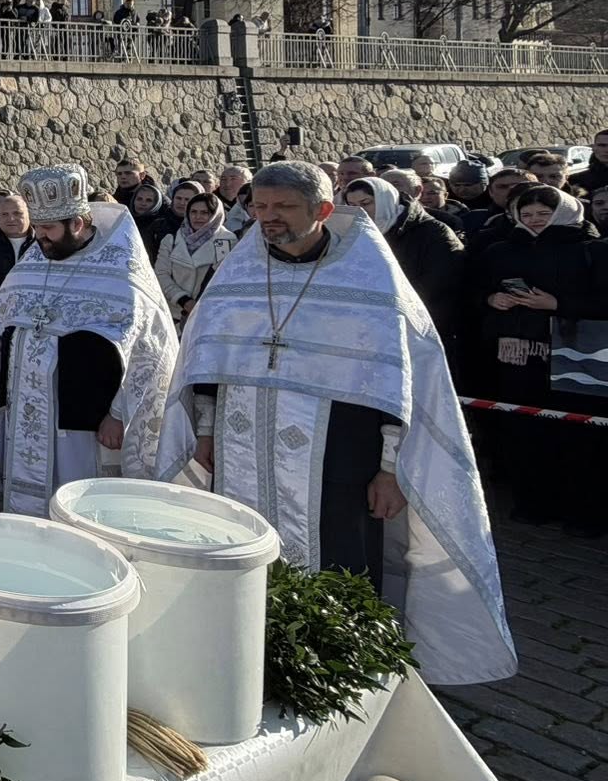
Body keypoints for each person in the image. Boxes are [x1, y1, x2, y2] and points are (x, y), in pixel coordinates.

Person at [157, 161, 517, 684]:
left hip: (340, 455)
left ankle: (342, 672)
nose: (268, 217)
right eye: (260, 206)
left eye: (284, 207)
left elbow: (399, 385)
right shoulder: (238, 269)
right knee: (242, 551)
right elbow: (209, 361)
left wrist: (392, 469)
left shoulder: (368, 275)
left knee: (341, 558)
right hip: (242, 448)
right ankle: (247, 660)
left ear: (323, 210)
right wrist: (206, 431)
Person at [0, 165, 177, 513]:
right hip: (24, 413)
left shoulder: (121, 273)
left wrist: (119, 414)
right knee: (25, 503)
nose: (39, 237)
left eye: (48, 228)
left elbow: (150, 353)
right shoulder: (34, 263)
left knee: (75, 505)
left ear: (77, 224)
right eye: (37, 227)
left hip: (83, 425)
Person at [477, 185, 607, 533]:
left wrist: (559, 305)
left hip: (577, 360)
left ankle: (584, 513)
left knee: (579, 438)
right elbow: (473, 290)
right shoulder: (500, 249)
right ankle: (534, 504)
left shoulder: (592, 249)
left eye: (543, 214)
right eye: (527, 214)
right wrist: (492, 299)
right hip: (517, 358)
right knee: (526, 433)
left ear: (564, 211)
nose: (535, 220)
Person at [344, 176, 467, 346]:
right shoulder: (355, 233)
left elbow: (440, 283)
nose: (360, 211)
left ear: (385, 200)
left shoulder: (432, 232)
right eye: (352, 206)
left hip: (426, 325)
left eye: (366, 203)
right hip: (373, 325)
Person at [154, 193, 236, 325]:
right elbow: (161, 273)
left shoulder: (225, 241)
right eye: (193, 212)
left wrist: (198, 305)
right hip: (172, 315)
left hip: (207, 316)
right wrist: (182, 299)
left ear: (215, 215)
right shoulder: (172, 239)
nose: (198, 217)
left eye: (204, 213)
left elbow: (222, 278)